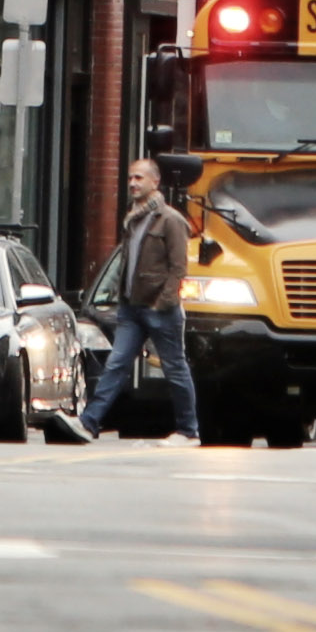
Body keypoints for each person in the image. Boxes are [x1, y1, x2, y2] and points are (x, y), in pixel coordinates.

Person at [85, 157, 198, 443]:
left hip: (160, 310)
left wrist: (164, 302)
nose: (133, 184)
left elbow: (179, 268)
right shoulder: (133, 219)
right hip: (131, 308)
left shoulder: (170, 220)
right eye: (131, 178)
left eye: (139, 178)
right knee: (116, 364)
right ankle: (89, 422)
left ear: (155, 182)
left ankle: (188, 430)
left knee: (174, 368)